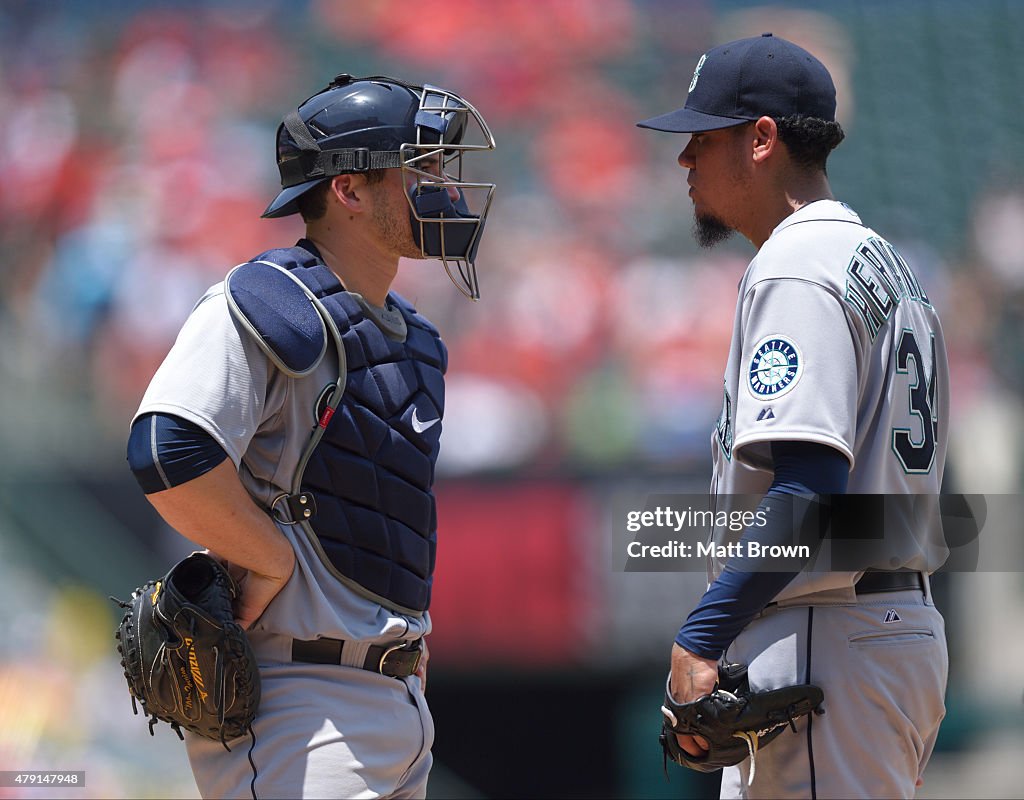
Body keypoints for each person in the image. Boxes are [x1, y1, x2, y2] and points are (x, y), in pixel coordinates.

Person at [125, 74, 496, 799]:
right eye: (417, 167)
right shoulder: (272, 301)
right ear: (350, 191)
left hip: (396, 701)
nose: (441, 184)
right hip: (297, 704)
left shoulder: (416, 337)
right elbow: (167, 448)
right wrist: (265, 559)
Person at [637, 34, 950, 798]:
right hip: (883, 629)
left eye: (701, 141)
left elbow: (808, 488)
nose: (685, 162)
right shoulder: (884, 261)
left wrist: (702, 635)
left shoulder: (798, 263)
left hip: (828, 632)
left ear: (762, 139)